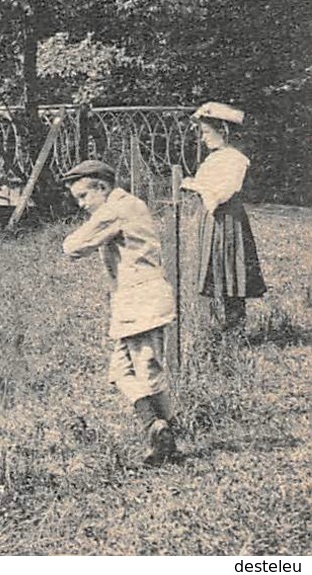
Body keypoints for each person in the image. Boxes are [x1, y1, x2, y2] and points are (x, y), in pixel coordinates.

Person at [61, 159, 178, 466]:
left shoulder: (116, 209)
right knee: (122, 372)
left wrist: (80, 235)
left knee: (144, 369)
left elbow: (73, 246)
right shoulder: (127, 204)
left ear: (102, 187)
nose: (82, 205)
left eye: (84, 196)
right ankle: (158, 427)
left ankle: (164, 437)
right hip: (136, 299)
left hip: (141, 299)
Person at [182, 101, 266, 333]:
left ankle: (234, 326)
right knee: (214, 266)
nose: (203, 138)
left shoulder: (234, 159)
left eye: (207, 133)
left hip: (227, 221)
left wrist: (197, 187)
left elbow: (223, 193)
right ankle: (217, 323)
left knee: (230, 267)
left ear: (224, 131)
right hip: (213, 220)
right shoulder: (215, 158)